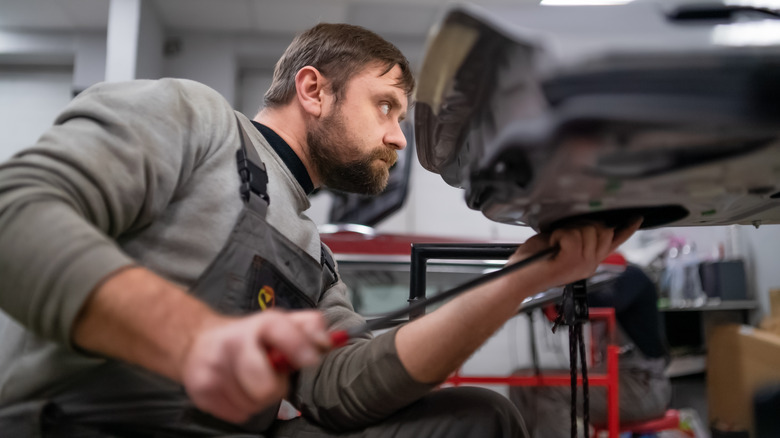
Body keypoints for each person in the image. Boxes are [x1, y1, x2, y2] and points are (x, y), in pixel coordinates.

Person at [0, 23, 641, 437]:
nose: (397, 136)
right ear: (313, 89)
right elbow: (17, 210)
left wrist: (521, 278)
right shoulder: (191, 117)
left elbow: (339, 392)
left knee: (482, 421)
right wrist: (192, 340)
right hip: (78, 422)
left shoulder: (315, 255)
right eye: (385, 106)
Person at [510, 264, 672, 438]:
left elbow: (603, 301)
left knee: (545, 390)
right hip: (621, 379)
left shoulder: (629, 276)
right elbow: (569, 312)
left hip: (643, 387)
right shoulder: (599, 278)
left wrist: (556, 280)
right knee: (521, 380)